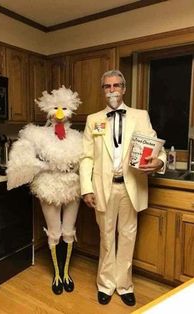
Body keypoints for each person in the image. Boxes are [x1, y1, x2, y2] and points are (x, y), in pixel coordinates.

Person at [79, 70, 166, 307]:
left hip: (131, 187)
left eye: (116, 85)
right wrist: (86, 188)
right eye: (107, 86)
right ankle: (105, 284)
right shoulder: (93, 119)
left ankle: (124, 285)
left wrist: (160, 162)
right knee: (106, 238)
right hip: (103, 189)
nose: (112, 90)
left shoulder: (140, 116)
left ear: (124, 89)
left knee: (128, 236)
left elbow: (156, 148)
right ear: (103, 90)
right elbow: (86, 157)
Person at [7, 86, 83, 295]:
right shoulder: (37, 135)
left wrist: (73, 169)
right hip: (49, 186)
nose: (60, 113)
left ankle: (66, 273)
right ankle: (57, 276)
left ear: (71, 110)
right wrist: (46, 166)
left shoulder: (78, 136)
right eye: (56, 108)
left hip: (73, 187)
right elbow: (23, 157)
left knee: (68, 231)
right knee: (54, 232)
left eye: (64, 108)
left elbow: (85, 161)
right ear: (48, 110)